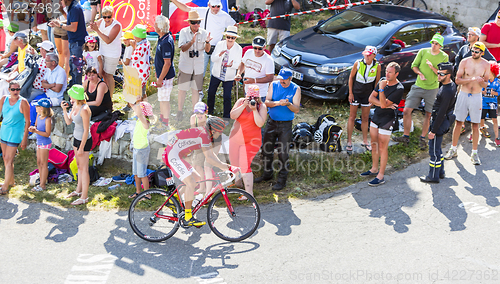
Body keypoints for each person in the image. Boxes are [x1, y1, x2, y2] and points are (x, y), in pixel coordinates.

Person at [162, 116, 238, 227]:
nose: (220, 134)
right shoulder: (204, 135)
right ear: (213, 130)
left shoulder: (205, 133)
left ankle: (174, 200)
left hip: (177, 154)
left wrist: (227, 167)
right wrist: (228, 168)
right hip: (172, 154)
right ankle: (188, 217)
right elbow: (209, 159)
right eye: (219, 132)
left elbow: (212, 155)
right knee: (191, 183)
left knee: (197, 179)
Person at [392, 33, 449, 149]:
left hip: (432, 88)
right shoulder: (423, 51)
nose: (433, 45)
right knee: (406, 110)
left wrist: (432, 67)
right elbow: (414, 66)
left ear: (440, 46)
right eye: (433, 43)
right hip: (418, 86)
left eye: (436, 44)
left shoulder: (444, 57)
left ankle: (422, 138)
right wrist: (420, 73)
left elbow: (443, 74)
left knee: (428, 114)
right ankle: (405, 136)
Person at [444, 42, 490, 165]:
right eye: (473, 51)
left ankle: (474, 153)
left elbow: (486, 84)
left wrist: (481, 82)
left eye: (476, 51)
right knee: (458, 123)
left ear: (482, 53)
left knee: (475, 125)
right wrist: (472, 79)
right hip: (463, 94)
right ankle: (453, 149)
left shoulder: (486, 65)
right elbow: (457, 80)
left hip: (476, 96)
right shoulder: (465, 61)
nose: (473, 53)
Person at [255, 68, 300, 191]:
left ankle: (282, 180)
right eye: (281, 79)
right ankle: (267, 174)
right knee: (266, 149)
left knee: (283, 153)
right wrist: (277, 103)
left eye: (285, 80)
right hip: (271, 122)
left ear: (290, 79)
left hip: (285, 125)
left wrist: (288, 104)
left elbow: (296, 109)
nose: (282, 82)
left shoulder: (296, 89)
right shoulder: (274, 85)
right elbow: (267, 102)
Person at [362, 62, 404, 186]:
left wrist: (381, 89)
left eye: (390, 72)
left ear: (396, 74)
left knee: (382, 147)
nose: (387, 74)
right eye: (386, 71)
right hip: (377, 116)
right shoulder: (382, 80)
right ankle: (374, 169)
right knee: (374, 144)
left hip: (388, 119)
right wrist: (384, 104)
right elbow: (371, 99)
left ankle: (381, 176)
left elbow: (381, 101)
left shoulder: (398, 88)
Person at [169, 0, 236, 75]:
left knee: (214, 74)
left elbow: (234, 26)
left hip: (217, 48)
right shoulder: (202, 11)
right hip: (203, 47)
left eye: (218, 6)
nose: (216, 8)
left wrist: (228, 38)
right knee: (199, 73)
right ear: (209, 5)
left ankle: (211, 86)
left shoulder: (224, 16)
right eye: (213, 6)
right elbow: (186, 8)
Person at [420, 62, 456, 183]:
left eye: (441, 74)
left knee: (433, 151)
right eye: (438, 73)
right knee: (438, 149)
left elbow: (441, 113)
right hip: (443, 120)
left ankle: (433, 176)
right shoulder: (450, 85)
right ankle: (441, 172)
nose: (438, 76)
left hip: (439, 122)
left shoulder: (447, 91)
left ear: (449, 75)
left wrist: (433, 131)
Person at [229, 85, 267, 198]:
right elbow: (232, 115)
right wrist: (243, 106)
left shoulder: (261, 107)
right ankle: (238, 184)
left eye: (254, 98)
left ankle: (249, 194)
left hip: (251, 141)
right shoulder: (241, 101)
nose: (252, 100)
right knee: (234, 163)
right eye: (250, 97)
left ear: (258, 98)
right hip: (235, 139)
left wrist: (254, 110)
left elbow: (260, 123)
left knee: (245, 166)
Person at [346, 45, 381, 154]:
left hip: (367, 93)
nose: (366, 57)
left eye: (369, 55)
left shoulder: (377, 66)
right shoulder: (358, 63)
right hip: (356, 92)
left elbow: (377, 82)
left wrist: (374, 96)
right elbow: (351, 78)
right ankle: (349, 141)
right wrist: (350, 93)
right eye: (365, 55)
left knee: (365, 118)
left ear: (374, 55)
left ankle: (365, 141)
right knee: (352, 117)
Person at [178, 10, 211, 121]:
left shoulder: (204, 33)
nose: (196, 25)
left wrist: (207, 43)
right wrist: (192, 42)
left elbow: (207, 51)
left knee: (195, 90)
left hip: (198, 66)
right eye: (193, 22)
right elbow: (182, 48)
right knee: (182, 89)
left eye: (198, 22)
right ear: (189, 23)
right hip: (186, 65)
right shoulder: (183, 32)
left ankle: (194, 112)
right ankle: (179, 111)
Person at [62, 85, 92, 205]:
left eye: (71, 95)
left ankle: (84, 197)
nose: (69, 97)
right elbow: (69, 121)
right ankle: (78, 191)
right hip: (76, 138)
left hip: (84, 141)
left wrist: (81, 148)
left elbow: (86, 130)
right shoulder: (75, 105)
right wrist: (64, 110)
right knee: (79, 166)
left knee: (84, 169)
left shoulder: (84, 109)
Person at [49, 0, 88, 88]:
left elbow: (73, 28)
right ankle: (74, 84)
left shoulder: (74, 8)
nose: (60, 1)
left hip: (78, 42)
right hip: (73, 41)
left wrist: (60, 25)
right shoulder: (72, 6)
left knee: (76, 67)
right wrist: (58, 23)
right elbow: (70, 22)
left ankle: (77, 87)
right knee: (72, 65)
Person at [0, 81, 30, 195]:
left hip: (15, 133)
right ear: (9, 90)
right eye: (13, 89)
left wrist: (25, 138)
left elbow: (28, 121)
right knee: (5, 158)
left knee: (9, 159)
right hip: (4, 131)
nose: (16, 91)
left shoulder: (23, 102)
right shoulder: (4, 99)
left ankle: (5, 187)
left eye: (18, 89)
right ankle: (11, 181)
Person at [207, 25, 242, 120]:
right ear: (225, 36)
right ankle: (209, 112)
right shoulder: (220, 44)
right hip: (217, 73)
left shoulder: (238, 48)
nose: (230, 39)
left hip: (229, 76)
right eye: (228, 37)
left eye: (233, 38)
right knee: (211, 93)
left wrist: (232, 65)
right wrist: (219, 55)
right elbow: (213, 59)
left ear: (235, 38)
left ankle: (227, 117)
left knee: (227, 96)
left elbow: (238, 63)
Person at [90, 6, 122, 100]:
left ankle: (110, 99)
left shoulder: (117, 25)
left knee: (108, 76)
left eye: (109, 16)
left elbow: (108, 40)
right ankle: (104, 96)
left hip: (113, 53)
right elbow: (90, 28)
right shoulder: (101, 21)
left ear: (113, 15)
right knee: (103, 74)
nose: (106, 19)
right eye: (104, 17)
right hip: (103, 51)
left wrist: (96, 30)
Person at [128, 101, 155, 200]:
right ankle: (138, 192)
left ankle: (147, 194)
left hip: (142, 150)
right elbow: (137, 111)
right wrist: (132, 104)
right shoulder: (140, 120)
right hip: (136, 148)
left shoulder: (145, 122)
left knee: (142, 174)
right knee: (136, 173)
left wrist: (136, 103)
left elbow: (139, 114)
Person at [235, 36, 274, 101]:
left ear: (264, 47)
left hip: (260, 93)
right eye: (255, 48)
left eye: (260, 48)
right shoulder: (248, 52)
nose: (257, 50)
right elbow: (242, 63)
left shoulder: (269, 60)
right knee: (248, 110)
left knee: (257, 111)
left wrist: (254, 81)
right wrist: (239, 73)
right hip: (247, 90)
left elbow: (270, 78)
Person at [154, 15, 175, 129]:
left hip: (165, 77)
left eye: (156, 24)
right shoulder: (163, 37)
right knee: (161, 99)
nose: (154, 26)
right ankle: (162, 119)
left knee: (164, 100)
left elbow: (167, 63)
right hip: (163, 75)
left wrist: (160, 79)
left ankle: (165, 123)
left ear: (160, 27)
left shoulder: (166, 41)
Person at [28, 98, 54, 191]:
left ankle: (43, 185)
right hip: (39, 142)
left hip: (45, 143)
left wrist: (36, 131)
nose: (35, 107)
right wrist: (32, 128)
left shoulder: (48, 119)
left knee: (43, 163)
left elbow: (47, 134)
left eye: (37, 106)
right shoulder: (38, 115)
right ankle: (42, 180)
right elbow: (36, 126)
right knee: (39, 162)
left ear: (42, 108)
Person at [475, 62, 500, 146]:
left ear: (493, 72)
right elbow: (478, 90)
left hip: (493, 104)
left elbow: (499, 93)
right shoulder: (484, 81)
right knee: (479, 119)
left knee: (495, 120)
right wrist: (482, 91)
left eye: (488, 72)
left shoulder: (498, 82)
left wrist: (494, 93)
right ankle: (474, 134)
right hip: (483, 104)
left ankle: (497, 138)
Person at [130, 24, 150, 100]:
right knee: (143, 92)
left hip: (140, 73)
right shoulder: (146, 43)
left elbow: (133, 58)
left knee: (138, 94)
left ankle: (140, 110)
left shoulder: (141, 46)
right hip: (144, 71)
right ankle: (146, 109)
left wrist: (133, 47)